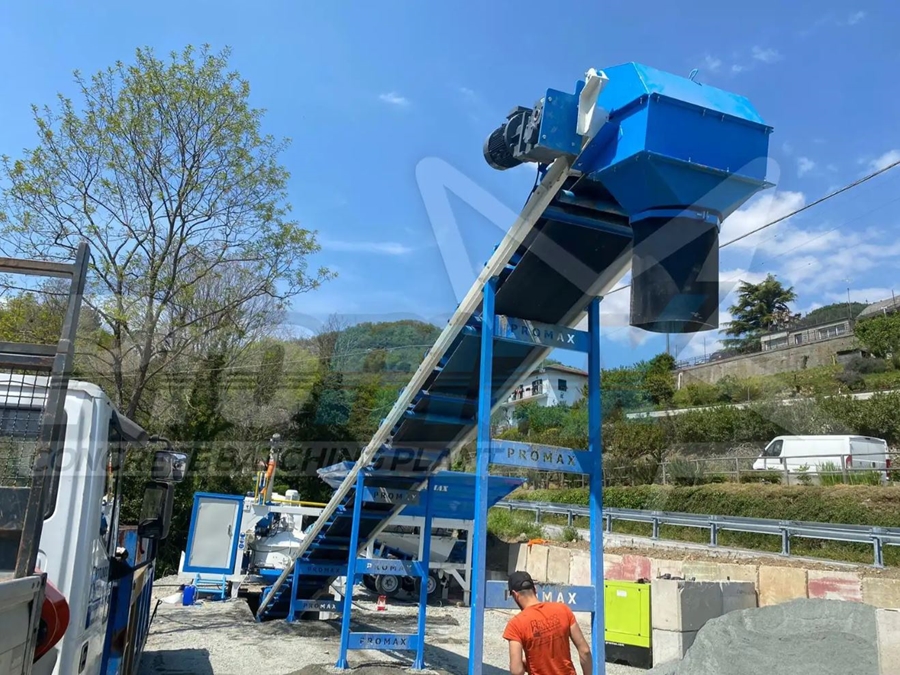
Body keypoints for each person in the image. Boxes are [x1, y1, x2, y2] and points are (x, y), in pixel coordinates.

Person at [502, 571, 592, 675]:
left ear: (515, 594)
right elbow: (585, 651)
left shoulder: (515, 624)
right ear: (535, 589)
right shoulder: (563, 609)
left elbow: (517, 671)